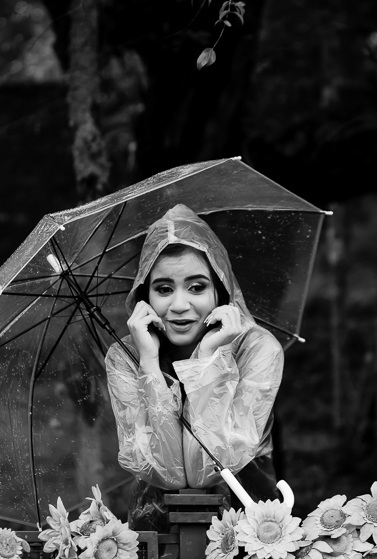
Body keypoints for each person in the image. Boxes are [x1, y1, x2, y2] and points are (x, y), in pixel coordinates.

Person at [104, 204, 285, 532]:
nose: (179, 305)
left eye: (197, 287)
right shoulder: (126, 358)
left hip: (252, 527)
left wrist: (207, 360)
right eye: (163, 289)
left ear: (220, 290)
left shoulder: (257, 349)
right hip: (157, 533)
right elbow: (171, 473)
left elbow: (210, 469)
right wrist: (148, 365)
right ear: (145, 295)